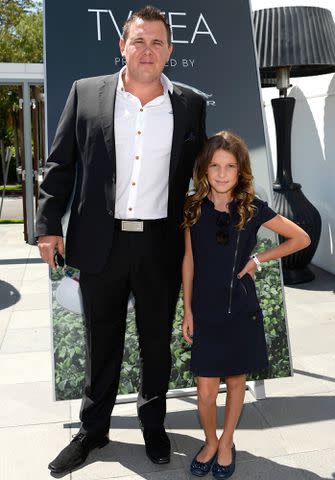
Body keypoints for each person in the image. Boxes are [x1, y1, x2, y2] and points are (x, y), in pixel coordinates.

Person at [36, 5, 206, 475]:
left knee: (156, 344)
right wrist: (48, 224)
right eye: (138, 40)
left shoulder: (190, 105)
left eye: (157, 42)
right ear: (122, 46)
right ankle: (94, 430)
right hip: (99, 242)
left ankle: (154, 426)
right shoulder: (87, 93)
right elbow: (60, 164)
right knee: (101, 341)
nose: (147, 50)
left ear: (170, 51)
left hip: (160, 246)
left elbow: (201, 179)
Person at [181, 131, 310, 479]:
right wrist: (188, 310)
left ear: (240, 172)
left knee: (237, 383)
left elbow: (301, 237)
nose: (222, 174)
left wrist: (259, 260)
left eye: (230, 167)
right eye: (215, 166)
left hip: (240, 307)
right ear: (205, 170)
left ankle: (226, 443)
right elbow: (189, 261)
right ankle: (209, 441)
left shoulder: (252, 209)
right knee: (205, 392)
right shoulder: (193, 207)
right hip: (205, 310)